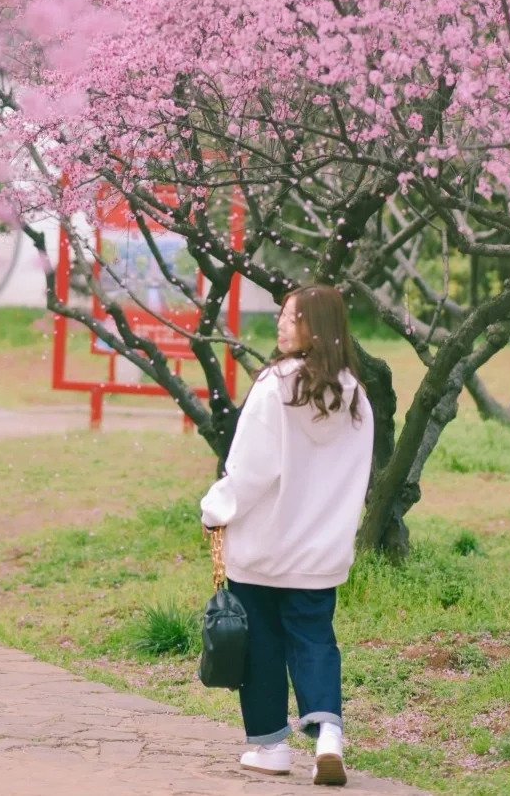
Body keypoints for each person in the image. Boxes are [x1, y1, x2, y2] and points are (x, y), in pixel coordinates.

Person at [201, 285, 374, 787]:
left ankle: (271, 747)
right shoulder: (355, 398)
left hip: (263, 546)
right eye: (282, 314)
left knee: (260, 644)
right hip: (320, 551)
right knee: (315, 639)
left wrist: (215, 509)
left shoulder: (275, 385)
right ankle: (328, 735)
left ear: (317, 327)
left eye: (293, 317)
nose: (281, 324)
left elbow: (251, 470)